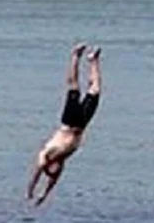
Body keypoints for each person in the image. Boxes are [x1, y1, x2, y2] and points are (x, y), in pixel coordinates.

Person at [26, 42, 102, 206]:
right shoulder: (61, 164)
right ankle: (93, 60)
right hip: (82, 124)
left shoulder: (44, 156)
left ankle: (75, 55)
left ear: (49, 166)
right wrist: (43, 197)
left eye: (54, 170)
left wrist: (31, 191)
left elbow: (36, 176)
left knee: (74, 86)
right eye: (57, 171)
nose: (57, 170)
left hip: (68, 122)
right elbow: (51, 184)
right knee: (95, 91)